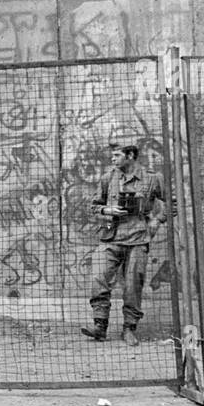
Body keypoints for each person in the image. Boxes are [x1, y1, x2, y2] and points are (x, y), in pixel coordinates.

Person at [80, 143, 166, 347]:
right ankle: (100, 326)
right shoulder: (108, 178)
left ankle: (129, 328)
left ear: (130, 155)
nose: (113, 159)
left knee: (133, 286)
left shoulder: (152, 178)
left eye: (117, 155)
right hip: (111, 237)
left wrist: (157, 220)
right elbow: (93, 206)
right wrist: (107, 210)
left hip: (137, 239)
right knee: (98, 278)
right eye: (112, 155)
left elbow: (172, 202)